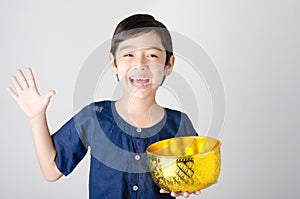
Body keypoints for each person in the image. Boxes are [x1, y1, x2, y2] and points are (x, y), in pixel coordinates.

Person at [7, 14, 202, 199]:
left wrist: (193, 182)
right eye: (128, 55)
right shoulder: (94, 117)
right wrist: (36, 117)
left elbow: (196, 170)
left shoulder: (180, 124)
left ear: (169, 64)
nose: (140, 64)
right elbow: (51, 171)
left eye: (152, 55)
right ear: (113, 63)